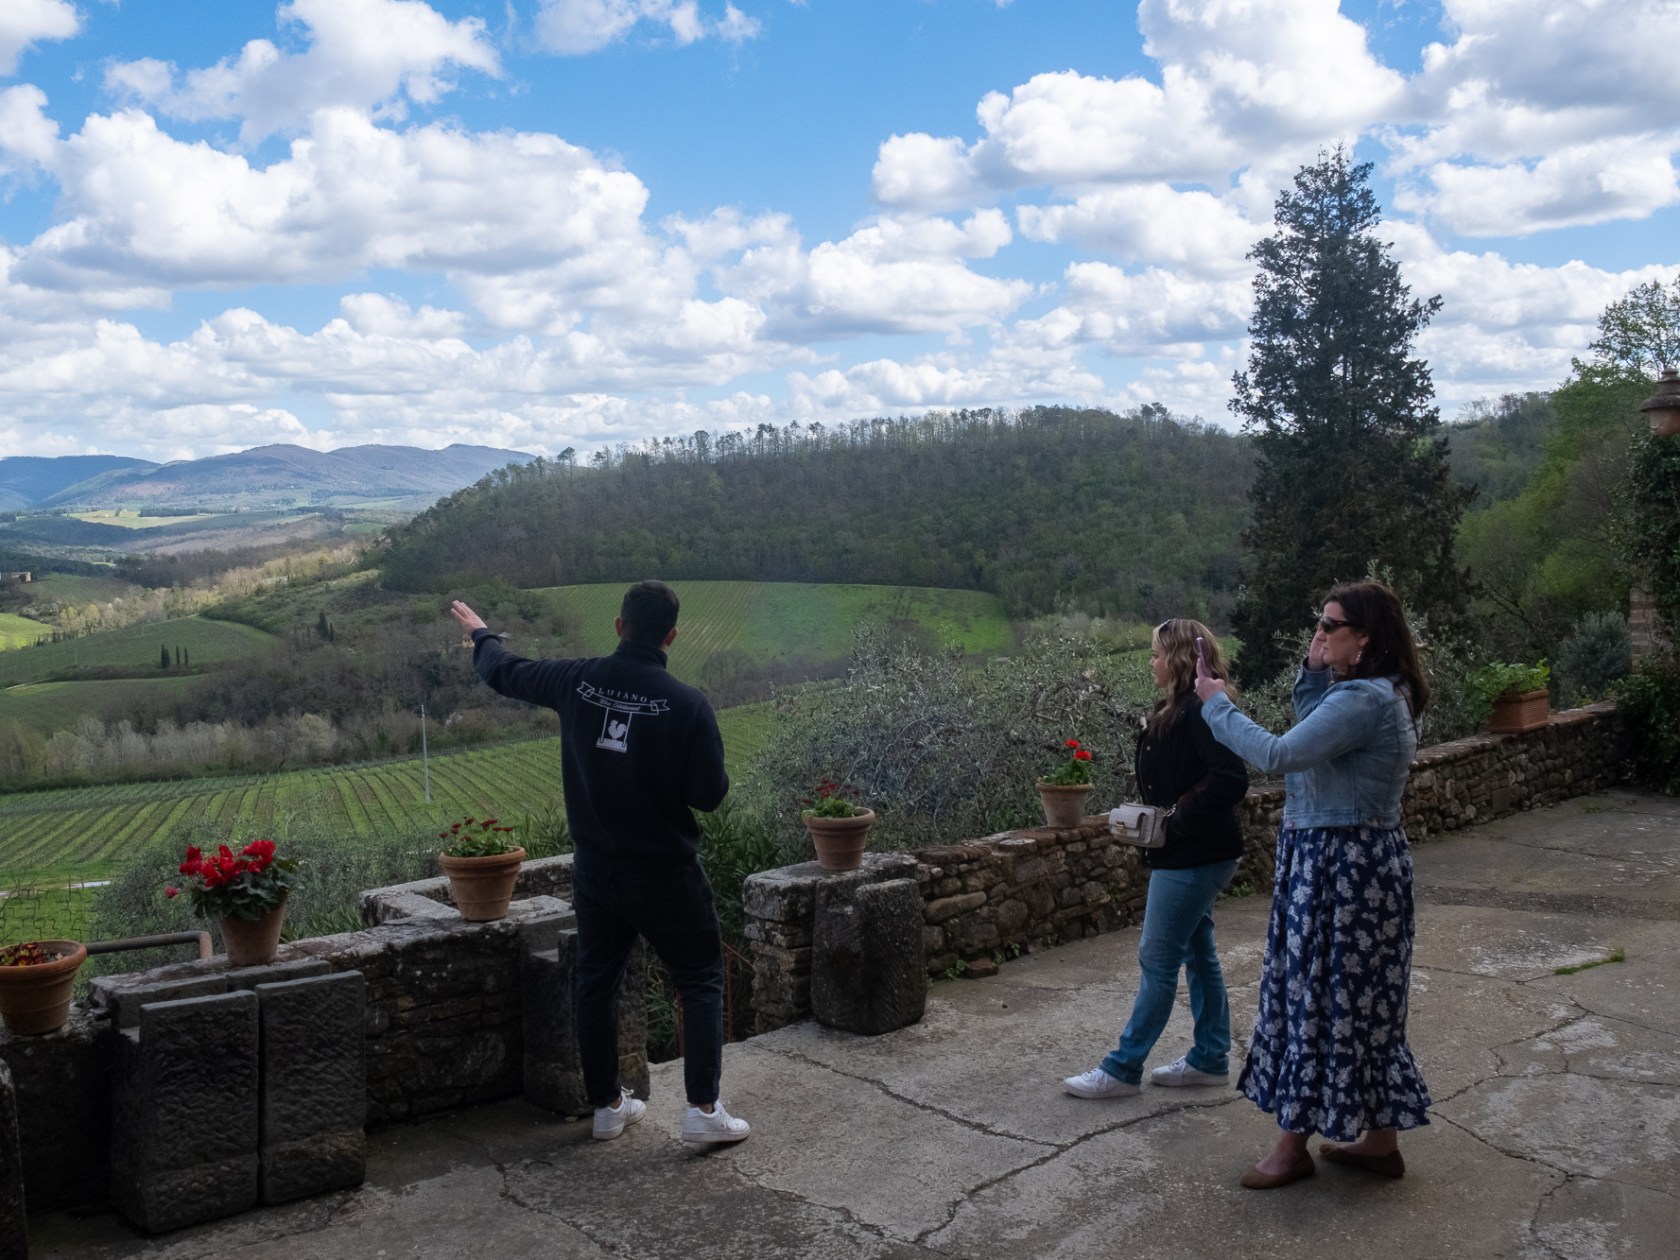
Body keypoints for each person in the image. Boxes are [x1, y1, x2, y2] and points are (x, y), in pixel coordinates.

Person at [449, 582, 750, 1146]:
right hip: (666, 872)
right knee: (701, 978)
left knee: (596, 983)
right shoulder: (687, 704)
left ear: (618, 626)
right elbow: (709, 795)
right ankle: (703, 1111)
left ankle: (608, 1105)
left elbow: (503, 671)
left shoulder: (576, 680)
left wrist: (481, 633)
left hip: (597, 871)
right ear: (671, 636)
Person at [1194, 579, 1431, 1189]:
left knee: (1315, 1001)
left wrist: (1215, 705)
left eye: (1331, 626)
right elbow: (1312, 724)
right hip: (1355, 864)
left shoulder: (1365, 701)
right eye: (1319, 622)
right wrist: (1314, 664)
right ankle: (1379, 1141)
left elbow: (1278, 754)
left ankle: (1291, 1147)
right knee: (1361, 1006)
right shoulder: (1377, 692)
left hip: (1340, 869)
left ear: (1366, 638)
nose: (1319, 633)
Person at [1063, 619, 1249, 1100]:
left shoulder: (1200, 711)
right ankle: (1209, 1058)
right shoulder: (1180, 708)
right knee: (1198, 953)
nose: (1151, 662)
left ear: (1181, 658)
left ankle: (1123, 1069)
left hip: (1192, 855)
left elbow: (1231, 777)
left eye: (1156, 654)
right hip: (1198, 852)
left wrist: (1179, 819)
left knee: (1158, 957)